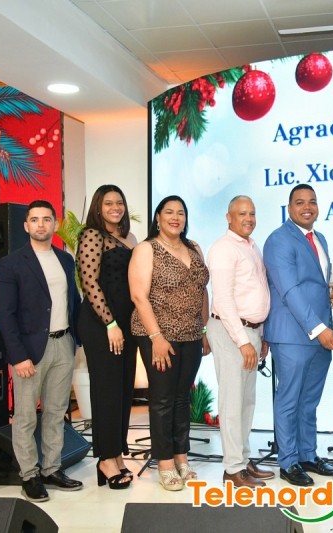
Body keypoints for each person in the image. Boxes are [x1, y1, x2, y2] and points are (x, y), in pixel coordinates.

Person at [0, 200, 83, 501]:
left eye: (47, 219)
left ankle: (52, 469)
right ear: (26, 225)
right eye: (35, 220)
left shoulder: (65, 259)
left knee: (56, 412)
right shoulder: (11, 263)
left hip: (63, 345)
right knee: (25, 416)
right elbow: (5, 315)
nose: (41, 225)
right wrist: (18, 356)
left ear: (55, 224)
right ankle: (29, 475)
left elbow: (73, 302)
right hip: (29, 351)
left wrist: (78, 339)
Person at [129, 195, 210, 491]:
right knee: (162, 400)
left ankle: (181, 457)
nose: (175, 217)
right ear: (158, 217)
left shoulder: (194, 248)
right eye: (169, 212)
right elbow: (138, 296)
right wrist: (157, 337)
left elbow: (201, 289)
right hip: (157, 335)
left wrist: (204, 329)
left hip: (191, 334)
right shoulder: (146, 249)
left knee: (181, 398)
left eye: (181, 213)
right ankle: (164, 462)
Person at [263, 184, 333, 486]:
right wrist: (319, 329)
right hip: (294, 334)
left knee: (309, 401)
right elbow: (290, 291)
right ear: (289, 207)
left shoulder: (320, 238)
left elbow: (318, 285)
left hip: (321, 334)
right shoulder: (279, 240)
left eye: (312, 202)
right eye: (299, 202)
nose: (307, 207)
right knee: (289, 400)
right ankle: (288, 461)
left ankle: (308, 454)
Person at [206, 195, 274, 488]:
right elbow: (223, 300)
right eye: (242, 213)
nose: (248, 218)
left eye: (252, 213)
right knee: (232, 402)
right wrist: (243, 341)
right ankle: (232, 469)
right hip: (231, 332)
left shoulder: (251, 246)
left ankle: (243, 461)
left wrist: (260, 334)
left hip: (251, 332)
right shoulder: (223, 249)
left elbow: (257, 292)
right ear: (228, 217)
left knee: (246, 401)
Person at [76, 184, 137, 489]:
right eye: (109, 203)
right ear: (98, 207)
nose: (115, 208)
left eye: (119, 202)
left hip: (126, 324)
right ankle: (105, 459)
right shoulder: (92, 235)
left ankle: (117, 454)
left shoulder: (130, 238)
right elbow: (89, 282)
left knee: (123, 391)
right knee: (107, 392)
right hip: (102, 324)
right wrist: (111, 324)